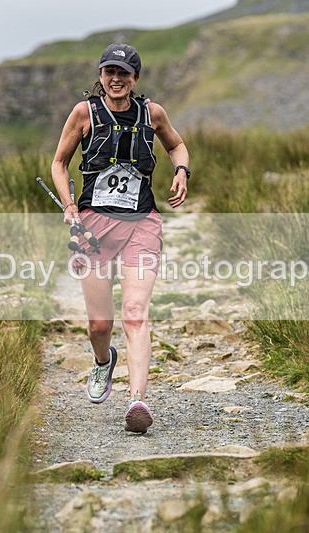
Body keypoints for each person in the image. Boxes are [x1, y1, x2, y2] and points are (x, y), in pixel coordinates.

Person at [51, 43, 190, 434]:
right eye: (109, 72)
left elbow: (177, 145)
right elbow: (59, 163)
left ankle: (137, 401)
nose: (116, 79)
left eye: (124, 73)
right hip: (93, 226)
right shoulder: (84, 114)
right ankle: (102, 362)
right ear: (100, 76)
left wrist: (182, 171)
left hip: (142, 223)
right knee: (100, 324)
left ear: (136, 79)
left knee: (135, 312)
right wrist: (68, 204)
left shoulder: (153, 114)